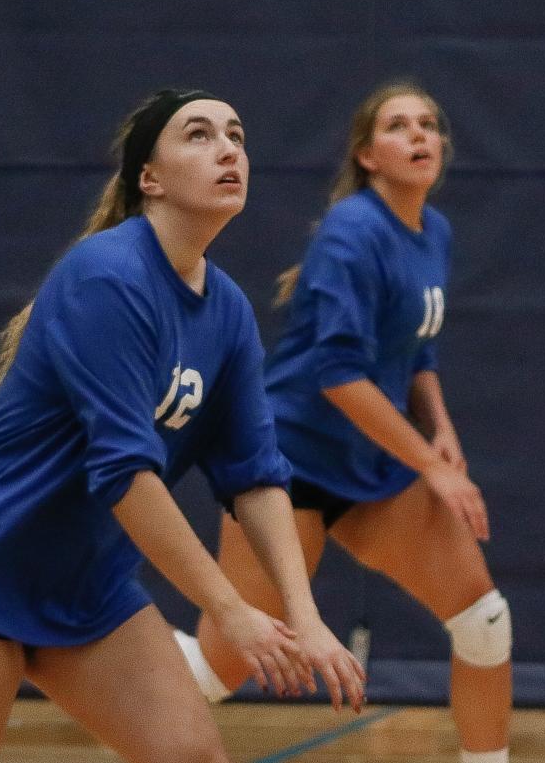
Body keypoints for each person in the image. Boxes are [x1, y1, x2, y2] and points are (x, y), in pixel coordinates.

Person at [0, 89, 366, 763]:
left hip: (89, 587)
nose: (229, 148)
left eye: (236, 134)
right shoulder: (106, 275)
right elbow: (123, 474)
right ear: (150, 177)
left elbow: (258, 477)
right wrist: (229, 611)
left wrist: (306, 616)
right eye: (199, 135)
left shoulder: (226, 308)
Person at [175, 80, 512, 763]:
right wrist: (432, 468)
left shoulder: (433, 229)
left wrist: (438, 424)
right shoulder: (352, 232)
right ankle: (78, 667)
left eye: (429, 123)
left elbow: (416, 343)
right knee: (221, 669)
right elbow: (338, 376)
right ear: (367, 154)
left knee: (484, 623)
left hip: (368, 464)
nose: (419, 135)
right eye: (398, 125)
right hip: (285, 462)